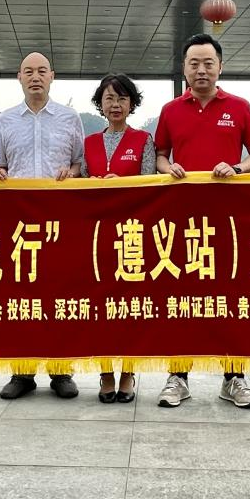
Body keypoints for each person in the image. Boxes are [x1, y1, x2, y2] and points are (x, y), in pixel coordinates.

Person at [154, 33, 250, 409]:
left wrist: (237, 167)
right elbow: (160, 155)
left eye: (208, 63)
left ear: (220, 66)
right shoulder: (171, 110)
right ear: (184, 68)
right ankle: (178, 376)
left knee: (230, 298)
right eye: (194, 63)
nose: (201, 70)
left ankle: (234, 377)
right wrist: (169, 168)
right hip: (182, 221)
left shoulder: (239, 106)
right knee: (181, 298)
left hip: (229, 220)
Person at [0, 51, 85, 399]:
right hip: (19, 225)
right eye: (28, 71)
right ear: (19, 77)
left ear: (52, 76)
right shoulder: (5, 120)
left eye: (41, 71)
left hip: (60, 222)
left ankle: (61, 371)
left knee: (61, 296)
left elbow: (79, 163)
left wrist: (71, 172)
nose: (35, 77)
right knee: (21, 298)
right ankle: (22, 372)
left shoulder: (70, 118)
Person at [84, 73, 155, 404]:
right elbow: (82, 182)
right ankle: (105, 373)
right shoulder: (89, 142)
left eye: (122, 98)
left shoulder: (143, 140)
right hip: (97, 236)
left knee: (130, 307)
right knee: (99, 307)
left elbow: (150, 185)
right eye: (109, 98)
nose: (115, 105)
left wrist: (122, 186)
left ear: (131, 104)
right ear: (100, 104)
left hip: (132, 235)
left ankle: (128, 371)